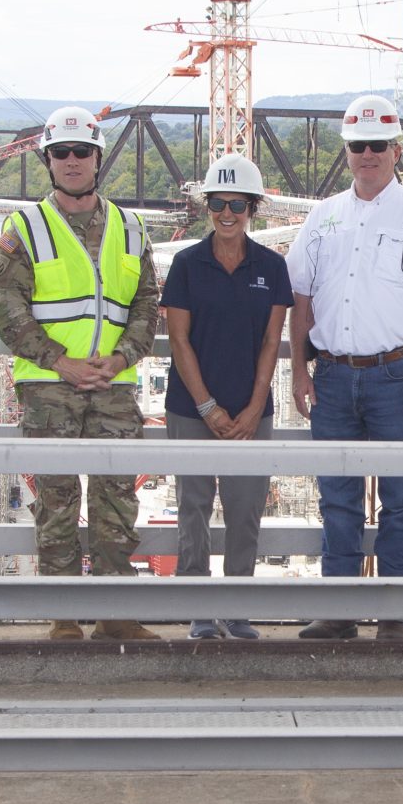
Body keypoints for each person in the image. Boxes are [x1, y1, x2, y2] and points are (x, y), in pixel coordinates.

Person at [285, 94, 403, 641]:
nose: (368, 155)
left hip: (397, 378)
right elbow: (301, 295)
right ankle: (337, 611)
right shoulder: (323, 217)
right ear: (347, 152)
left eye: (378, 146)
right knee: (336, 497)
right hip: (334, 377)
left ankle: (394, 613)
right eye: (358, 146)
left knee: (401, 500)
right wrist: (299, 369)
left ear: (397, 151)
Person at [0, 106, 163, 642]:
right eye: (61, 152)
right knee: (56, 500)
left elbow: (146, 302)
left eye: (81, 152)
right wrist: (59, 361)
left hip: (114, 385)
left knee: (117, 499)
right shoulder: (24, 227)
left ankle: (116, 613)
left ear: (97, 158)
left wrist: (122, 357)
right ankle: (64, 615)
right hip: (49, 386)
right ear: (47, 159)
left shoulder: (130, 227)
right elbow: (6, 306)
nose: (71, 161)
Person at [164, 152, 292, 639]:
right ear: (207, 206)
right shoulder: (186, 264)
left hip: (250, 411)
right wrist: (207, 406)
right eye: (218, 203)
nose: (227, 213)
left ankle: (237, 607)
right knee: (192, 506)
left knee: (245, 507)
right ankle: (200, 609)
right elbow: (179, 341)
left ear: (252, 208)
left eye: (237, 204)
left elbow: (270, 342)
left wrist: (255, 407)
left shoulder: (272, 267)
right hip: (192, 409)